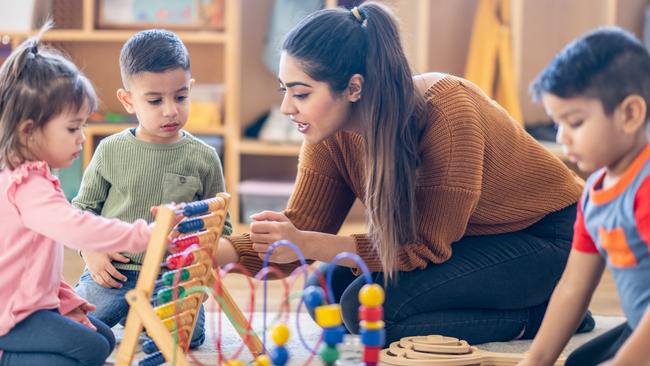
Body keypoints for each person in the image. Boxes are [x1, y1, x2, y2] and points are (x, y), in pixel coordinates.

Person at [214, 2, 593, 345]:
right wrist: (219, 252)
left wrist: (307, 243)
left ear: (353, 88)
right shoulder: (329, 133)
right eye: (285, 90)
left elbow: (423, 247)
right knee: (325, 293)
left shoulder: (448, 114)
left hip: (551, 237)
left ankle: (543, 316)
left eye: (300, 94)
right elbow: (299, 230)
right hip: (470, 238)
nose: (285, 108)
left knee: (370, 314)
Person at [0, 25, 157, 366]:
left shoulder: (33, 175)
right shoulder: (26, 185)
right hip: (10, 314)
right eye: (73, 128)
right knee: (89, 350)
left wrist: (65, 298)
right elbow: (77, 228)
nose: (82, 138)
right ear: (29, 131)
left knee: (101, 338)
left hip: (31, 302)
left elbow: (32, 263)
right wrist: (143, 235)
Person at [72, 29, 231, 349]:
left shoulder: (205, 157)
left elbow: (222, 227)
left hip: (172, 279)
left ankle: (141, 317)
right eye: (155, 100)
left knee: (186, 339)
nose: (170, 110)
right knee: (75, 327)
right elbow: (81, 211)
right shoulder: (110, 150)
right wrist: (91, 250)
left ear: (191, 89)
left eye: (181, 96)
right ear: (128, 100)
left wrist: (197, 262)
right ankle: (133, 314)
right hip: (113, 272)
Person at [517, 27, 650, 366]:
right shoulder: (595, 192)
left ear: (630, 114)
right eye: (557, 123)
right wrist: (535, 358)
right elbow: (573, 288)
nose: (563, 138)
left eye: (575, 123)